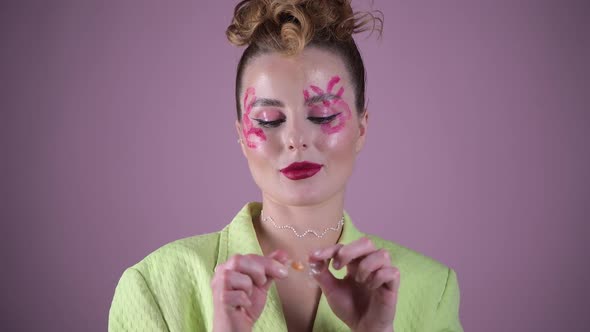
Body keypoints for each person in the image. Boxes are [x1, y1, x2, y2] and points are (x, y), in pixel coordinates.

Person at [109, 0, 463, 331]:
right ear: (241, 136)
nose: (296, 139)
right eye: (268, 120)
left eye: (323, 115)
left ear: (362, 128)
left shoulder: (430, 289)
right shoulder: (155, 285)